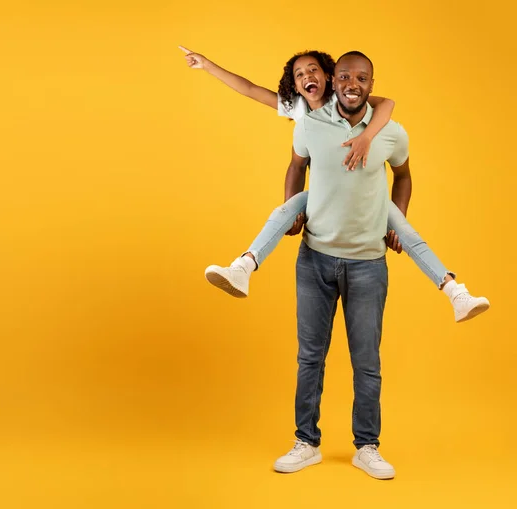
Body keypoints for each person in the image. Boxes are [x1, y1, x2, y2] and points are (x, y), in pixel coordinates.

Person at [180, 46, 490, 323]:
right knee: (287, 207)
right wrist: (207, 65)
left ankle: (455, 293)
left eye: (313, 69)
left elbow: (387, 103)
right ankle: (243, 267)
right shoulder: (301, 112)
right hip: (324, 199)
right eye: (299, 74)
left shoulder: (346, 97)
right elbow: (250, 90)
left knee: (405, 230)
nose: (307, 76)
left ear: (330, 77)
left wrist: (365, 138)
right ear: (295, 85)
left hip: (367, 201)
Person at [278, 51, 408, 479]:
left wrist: (399, 222)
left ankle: (367, 446)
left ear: (372, 84)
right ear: (334, 80)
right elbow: (296, 166)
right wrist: (290, 212)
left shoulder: (390, 131)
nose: (354, 83)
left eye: (363, 78)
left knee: (367, 360)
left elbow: (404, 175)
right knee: (310, 357)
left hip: (368, 263)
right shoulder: (309, 123)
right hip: (314, 258)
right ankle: (306, 442)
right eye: (347, 76)